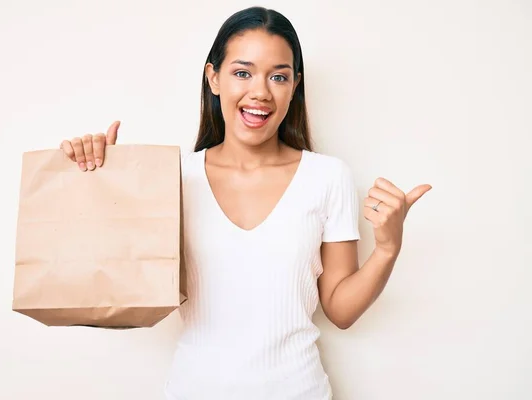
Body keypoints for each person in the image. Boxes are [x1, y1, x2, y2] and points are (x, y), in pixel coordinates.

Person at [59, 6, 431, 400]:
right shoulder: (173, 177)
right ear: (213, 78)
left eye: (279, 77)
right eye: (242, 72)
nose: (261, 92)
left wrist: (388, 248)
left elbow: (340, 310)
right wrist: (102, 186)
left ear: (294, 86)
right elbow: (121, 296)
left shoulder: (328, 177)